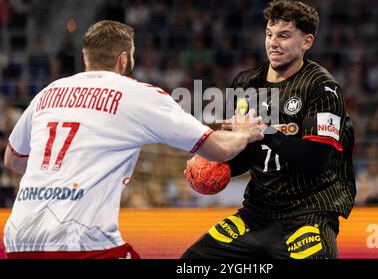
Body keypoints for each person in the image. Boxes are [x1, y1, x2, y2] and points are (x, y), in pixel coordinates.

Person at [2, 20, 264, 259]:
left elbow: (12, 159)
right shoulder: (136, 94)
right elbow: (218, 149)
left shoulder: (48, 93)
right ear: (124, 58)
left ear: (86, 56)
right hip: (83, 243)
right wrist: (243, 133)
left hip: (17, 240)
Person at [182, 0, 356, 259]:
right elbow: (247, 154)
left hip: (308, 213)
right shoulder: (245, 83)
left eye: (284, 36)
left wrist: (265, 129)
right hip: (256, 213)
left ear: (307, 42)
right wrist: (218, 163)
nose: (273, 43)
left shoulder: (323, 89)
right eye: (269, 34)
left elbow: (315, 161)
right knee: (191, 263)